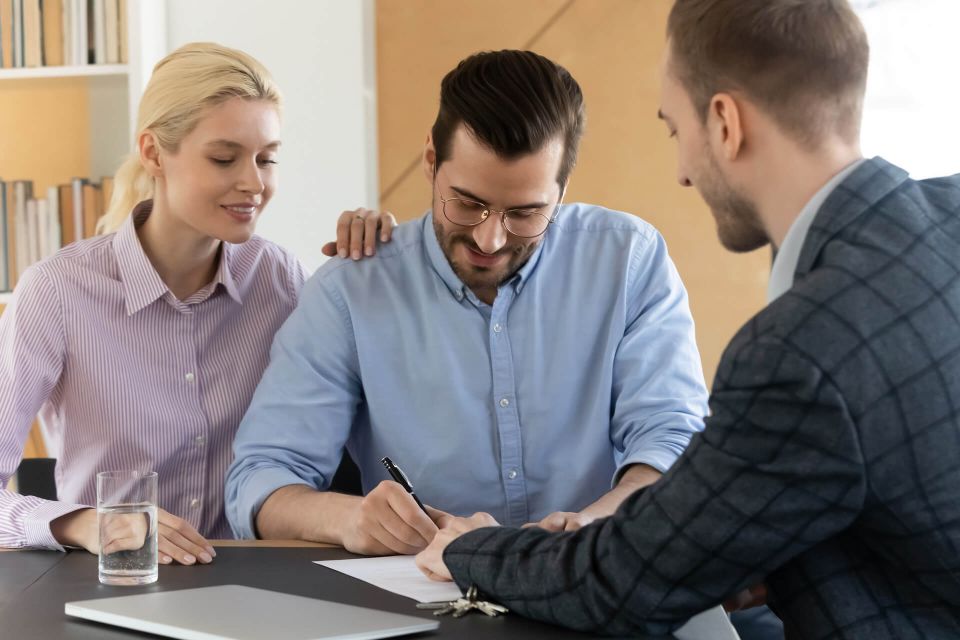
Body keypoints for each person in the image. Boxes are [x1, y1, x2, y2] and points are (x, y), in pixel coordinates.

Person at [414, 1, 960, 638]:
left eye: (676, 130)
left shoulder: (799, 350)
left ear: (725, 123)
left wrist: (473, 549)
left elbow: (625, 583)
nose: (680, 173)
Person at [225, 49, 709, 558]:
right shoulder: (350, 291)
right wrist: (350, 517)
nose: (490, 239)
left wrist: (591, 527)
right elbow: (260, 482)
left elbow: (672, 438)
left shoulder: (629, 260)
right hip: (424, 596)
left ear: (563, 188)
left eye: (525, 213)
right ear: (431, 161)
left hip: (599, 574)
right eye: (468, 203)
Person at [0, 42, 390, 563]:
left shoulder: (281, 281)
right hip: (118, 583)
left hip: (256, 581)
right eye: (224, 158)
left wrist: (380, 267)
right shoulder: (58, 293)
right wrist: (82, 523)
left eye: (267, 159)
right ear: (154, 152)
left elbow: (366, 414)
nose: (254, 183)